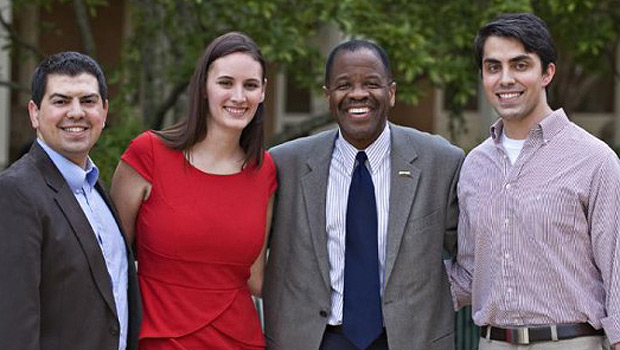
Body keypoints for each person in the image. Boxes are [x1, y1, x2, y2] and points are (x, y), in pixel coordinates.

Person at [263, 39, 465, 350]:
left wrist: (430, 301)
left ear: (392, 93)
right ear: (328, 96)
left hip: (412, 340)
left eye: (371, 83)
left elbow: (472, 255)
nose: (358, 94)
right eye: (344, 85)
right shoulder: (284, 164)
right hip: (314, 340)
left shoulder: (440, 161)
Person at [446, 13, 620, 350]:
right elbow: (468, 274)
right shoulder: (474, 166)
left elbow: (618, 271)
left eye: (520, 65)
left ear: (547, 73)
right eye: (493, 67)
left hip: (572, 342)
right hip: (493, 343)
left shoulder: (594, 160)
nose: (505, 79)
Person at [110, 32, 276, 350]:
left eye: (250, 85)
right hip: (157, 337)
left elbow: (256, 278)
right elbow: (111, 265)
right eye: (225, 83)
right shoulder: (148, 154)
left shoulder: (264, 169)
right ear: (203, 87)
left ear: (264, 92)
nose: (239, 96)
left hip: (240, 340)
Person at [0, 51, 141, 350]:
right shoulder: (15, 192)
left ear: (104, 111)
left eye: (88, 101)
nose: (76, 112)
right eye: (61, 101)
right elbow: (12, 323)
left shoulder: (98, 188)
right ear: (35, 113)